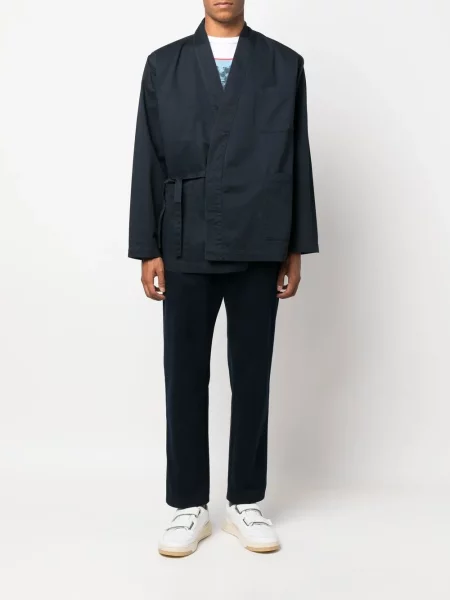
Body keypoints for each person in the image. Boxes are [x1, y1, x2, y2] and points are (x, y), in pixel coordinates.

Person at [128, 0, 318, 557]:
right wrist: (147, 248)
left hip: (261, 238)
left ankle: (245, 502)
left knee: (252, 374)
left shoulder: (284, 64)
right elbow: (148, 157)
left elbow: (297, 157)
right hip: (184, 239)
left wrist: (295, 246)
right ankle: (189, 505)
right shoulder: (164, 65)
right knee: (184, 374)